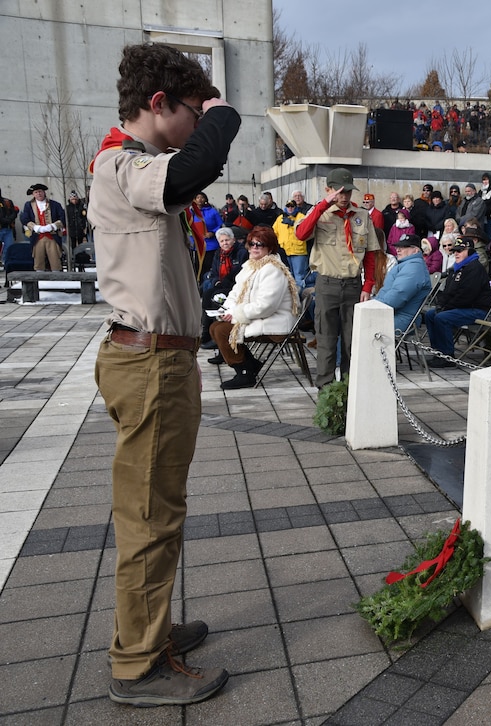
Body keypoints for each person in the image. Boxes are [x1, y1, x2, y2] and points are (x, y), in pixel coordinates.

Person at [89, 41, 238, 706]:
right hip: (148, 362)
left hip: (161, 356)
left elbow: (185, 174)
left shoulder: (137, 164)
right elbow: (195, 167)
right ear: (159, 104)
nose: (196, 127)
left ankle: (148, 631)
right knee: (149, 517)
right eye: (189, 112)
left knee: (159, 511)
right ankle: (137, 666)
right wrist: (224, 112)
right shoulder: (124, 163)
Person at [293, 168, 383, 388]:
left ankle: (351, 390)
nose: (344, 197)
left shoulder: (361, 216)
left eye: (348, 192)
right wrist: (323, 204)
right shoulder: (319, 213)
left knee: (353, 342)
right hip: (327, 284)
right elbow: (301, 234)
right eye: (339, 192)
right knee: (325, 341)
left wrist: (368, 285)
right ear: (328, 190)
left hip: (354, 286)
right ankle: (326, 390)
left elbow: (371, 253)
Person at [208, 227, 298, 389]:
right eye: (251, 244)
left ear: (269, 248)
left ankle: (245, 373)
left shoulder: (273, 269)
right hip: (260, 317)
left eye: (260, 244)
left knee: (222, 330)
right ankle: (251, 365)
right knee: (215, 327)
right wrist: (227, 310)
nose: (255, 247)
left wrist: (236, 314)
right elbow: (236, 292)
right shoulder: (251, 266)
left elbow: (266, 306)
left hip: (273, 321)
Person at [423, 237, 491, 367]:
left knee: (442, 317)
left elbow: (467, 296)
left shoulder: (475, 268)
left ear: (470, 251)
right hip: (462, 307)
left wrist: (446, 307)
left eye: (460, 251)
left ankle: (447, 356)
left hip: (475, 309)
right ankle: (438, 351)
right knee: (430, 315)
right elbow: (448, 291)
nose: (456, 253)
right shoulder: (457, 268)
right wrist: (441, 305)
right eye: (455, 251)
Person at [373, 233, 432, 333]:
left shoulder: (414, 268)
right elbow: (387, 292)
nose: (398, 250)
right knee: (351, 326)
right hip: (392, 314)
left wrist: (374, 309)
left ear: (416, 250)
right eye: (397, 247)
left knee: (356, 328)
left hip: (400, 318)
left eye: (404, 247)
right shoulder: (406, 265)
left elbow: (398, 295)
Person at [200, 227, 248, 348]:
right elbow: (214, 272)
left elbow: (239, 272)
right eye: (222, 241)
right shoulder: (218, 253)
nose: (225, 243)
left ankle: (217, 336)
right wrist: (216, 282)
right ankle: (206, 333)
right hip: (221, 284)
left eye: (227, 240)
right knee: (207, 294)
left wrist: (223, 283)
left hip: (235, 286)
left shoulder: (241, 252)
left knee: (216, 297)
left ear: (233, 240)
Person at [20, 183, 66, 271]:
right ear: (33, 194)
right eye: (36, 192)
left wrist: (53, 226)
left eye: (40, 191)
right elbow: (24, 218)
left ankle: (58, 280)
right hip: (37, 237)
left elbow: (63, 218)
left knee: (55, 261)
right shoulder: (28, 205)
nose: (39, 194)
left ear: (44, 192)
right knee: (38, 262)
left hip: (52, 237)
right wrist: (35, 227)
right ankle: (39, 281)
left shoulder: (55, 204)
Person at [272, 199, 307, 290]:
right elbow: (274, 232)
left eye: (292, 206)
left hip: (298, 252)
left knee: (299, 276)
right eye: (288, 206)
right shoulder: (280, 218)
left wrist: (293, 223)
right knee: (287, 276)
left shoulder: (301, 217)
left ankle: (300, 298)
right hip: (284, 251)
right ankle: (291, 298)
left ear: (296, 207)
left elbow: (306, 229)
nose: (290, 208)